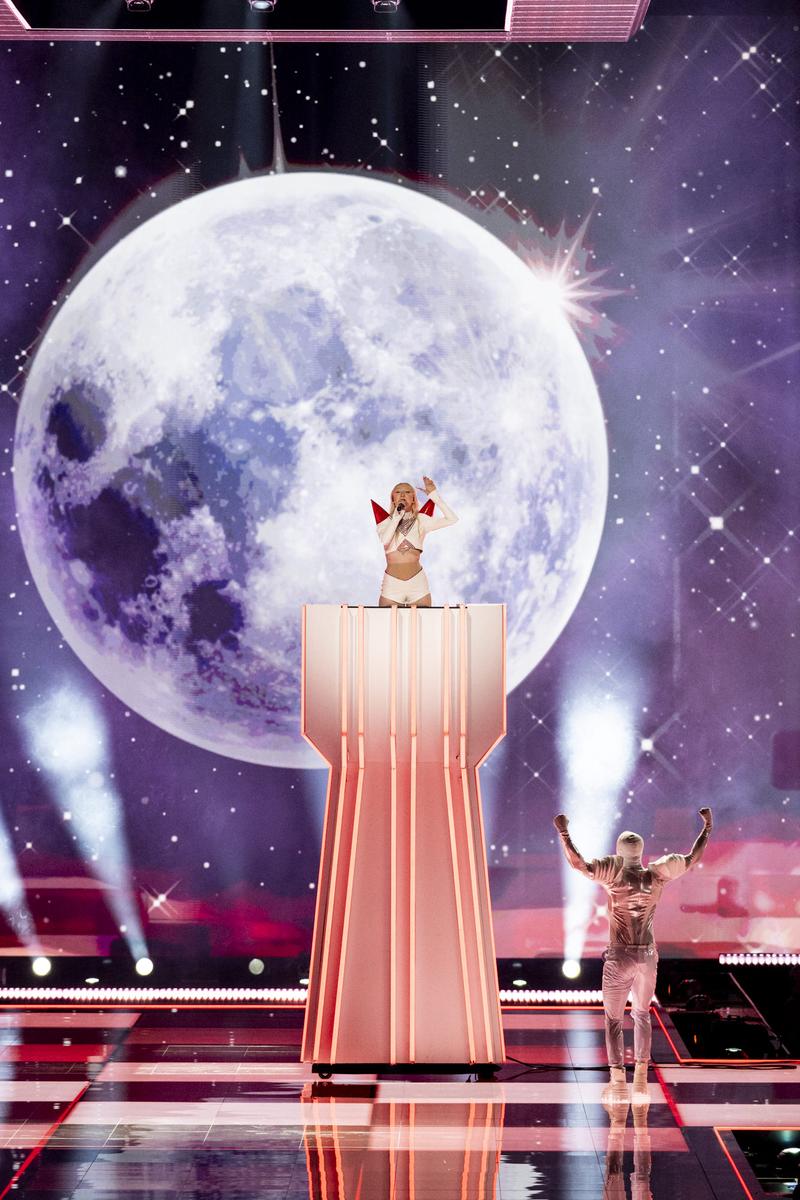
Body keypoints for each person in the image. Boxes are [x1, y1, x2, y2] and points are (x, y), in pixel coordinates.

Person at [553, 807, 713, 1098]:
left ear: (619, 852)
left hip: (620, 955)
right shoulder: (656, 877)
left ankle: (617, 1079)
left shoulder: (614, 876)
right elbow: (692, 859)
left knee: (613, 1019)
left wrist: (564, 832)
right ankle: (640, 1074)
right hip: (647, 955)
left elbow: (579, 865)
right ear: (640, 852)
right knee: (641, 1014)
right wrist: (707, 828)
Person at [372, 476, 458, 607]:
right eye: (398, 492)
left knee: (423, 626)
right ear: (393, 499)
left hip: (418, 585)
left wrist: (434, 496)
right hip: (392, 586)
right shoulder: (385, 522)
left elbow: (452, 519)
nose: (402, 495)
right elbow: (385, 540)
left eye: (407, 492)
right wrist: (396, 518)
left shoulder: (421, 520)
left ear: (413, 499)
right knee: (388, 626)